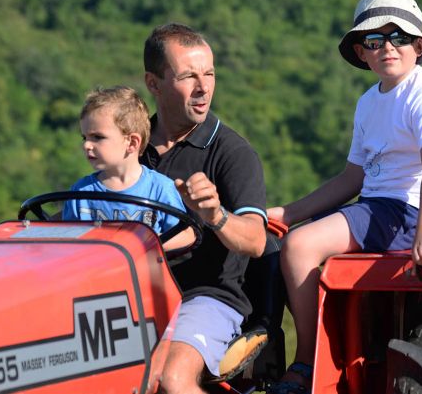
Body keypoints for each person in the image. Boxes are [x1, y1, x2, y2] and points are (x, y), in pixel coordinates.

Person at [266, 0, 422, 394]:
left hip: (410, 211)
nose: (387, 47)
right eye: (375, 41)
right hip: (374, 206)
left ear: (419, 46)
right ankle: (279, 355)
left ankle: (306, 364)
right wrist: (288, 213)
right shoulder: (367, 103)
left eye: (399, 37)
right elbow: (352, 179)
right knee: (273, 247)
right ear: (362, 52)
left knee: (301, 248)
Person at [140, 23, 268, 394]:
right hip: (135, 294)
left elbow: (257, 241)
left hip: (206, 296)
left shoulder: (232, 153)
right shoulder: (132, 148)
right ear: (153, 83)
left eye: (209, 74)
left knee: (171, 378)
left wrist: (217, 217)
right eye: (188, 76)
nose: (203, 88)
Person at [61, 85, 194, 251]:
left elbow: (186, 235)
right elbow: (67, 245)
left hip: (141, 275)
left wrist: (144, 244)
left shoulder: (160, 189)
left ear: (132, 143)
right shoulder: (81, 192)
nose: (87, 145)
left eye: (97, 137)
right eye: (84, 137)